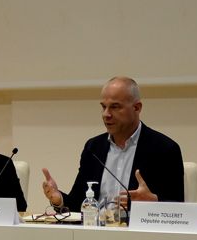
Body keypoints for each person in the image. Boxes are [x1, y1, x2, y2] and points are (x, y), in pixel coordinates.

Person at [41, 76, 184, 212]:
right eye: (103, 107)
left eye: (115, 107)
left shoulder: (164, 149)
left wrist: (154, 202)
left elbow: (179, 210)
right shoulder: (93, 148)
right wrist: (58, 199)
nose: (106, 114)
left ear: (137, 108)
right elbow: (79, 202)